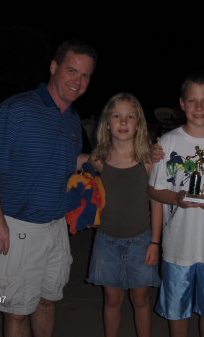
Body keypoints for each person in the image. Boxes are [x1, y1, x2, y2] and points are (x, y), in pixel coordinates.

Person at [0, 38, 97, 337]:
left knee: (47, 301)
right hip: (17, 228)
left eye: (85, 76)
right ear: (54, 67)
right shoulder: (16, 109)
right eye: (71, 71)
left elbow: (66, 162)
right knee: (17, 313)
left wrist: (102, 160)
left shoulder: (71, 120)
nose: (77, 81)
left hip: (55, 229)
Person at [148, 70, 204, 337]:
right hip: (178, 247)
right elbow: (154, 190)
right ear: (181, 104)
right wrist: (176, 198)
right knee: (177, 312)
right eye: (192, 101)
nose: (199, 107)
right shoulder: (167, 143)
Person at [84, 92, 162, 337]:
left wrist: (155, 242)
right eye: (117, 116)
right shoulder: (99, 159)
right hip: (106, 240)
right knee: (112, 298)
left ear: (138, 123)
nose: (124, 121)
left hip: (141, 239)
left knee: (140, 298)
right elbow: (77, 163)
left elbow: (157, 203)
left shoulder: (148, 160)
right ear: (107, 122)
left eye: (130, 116)